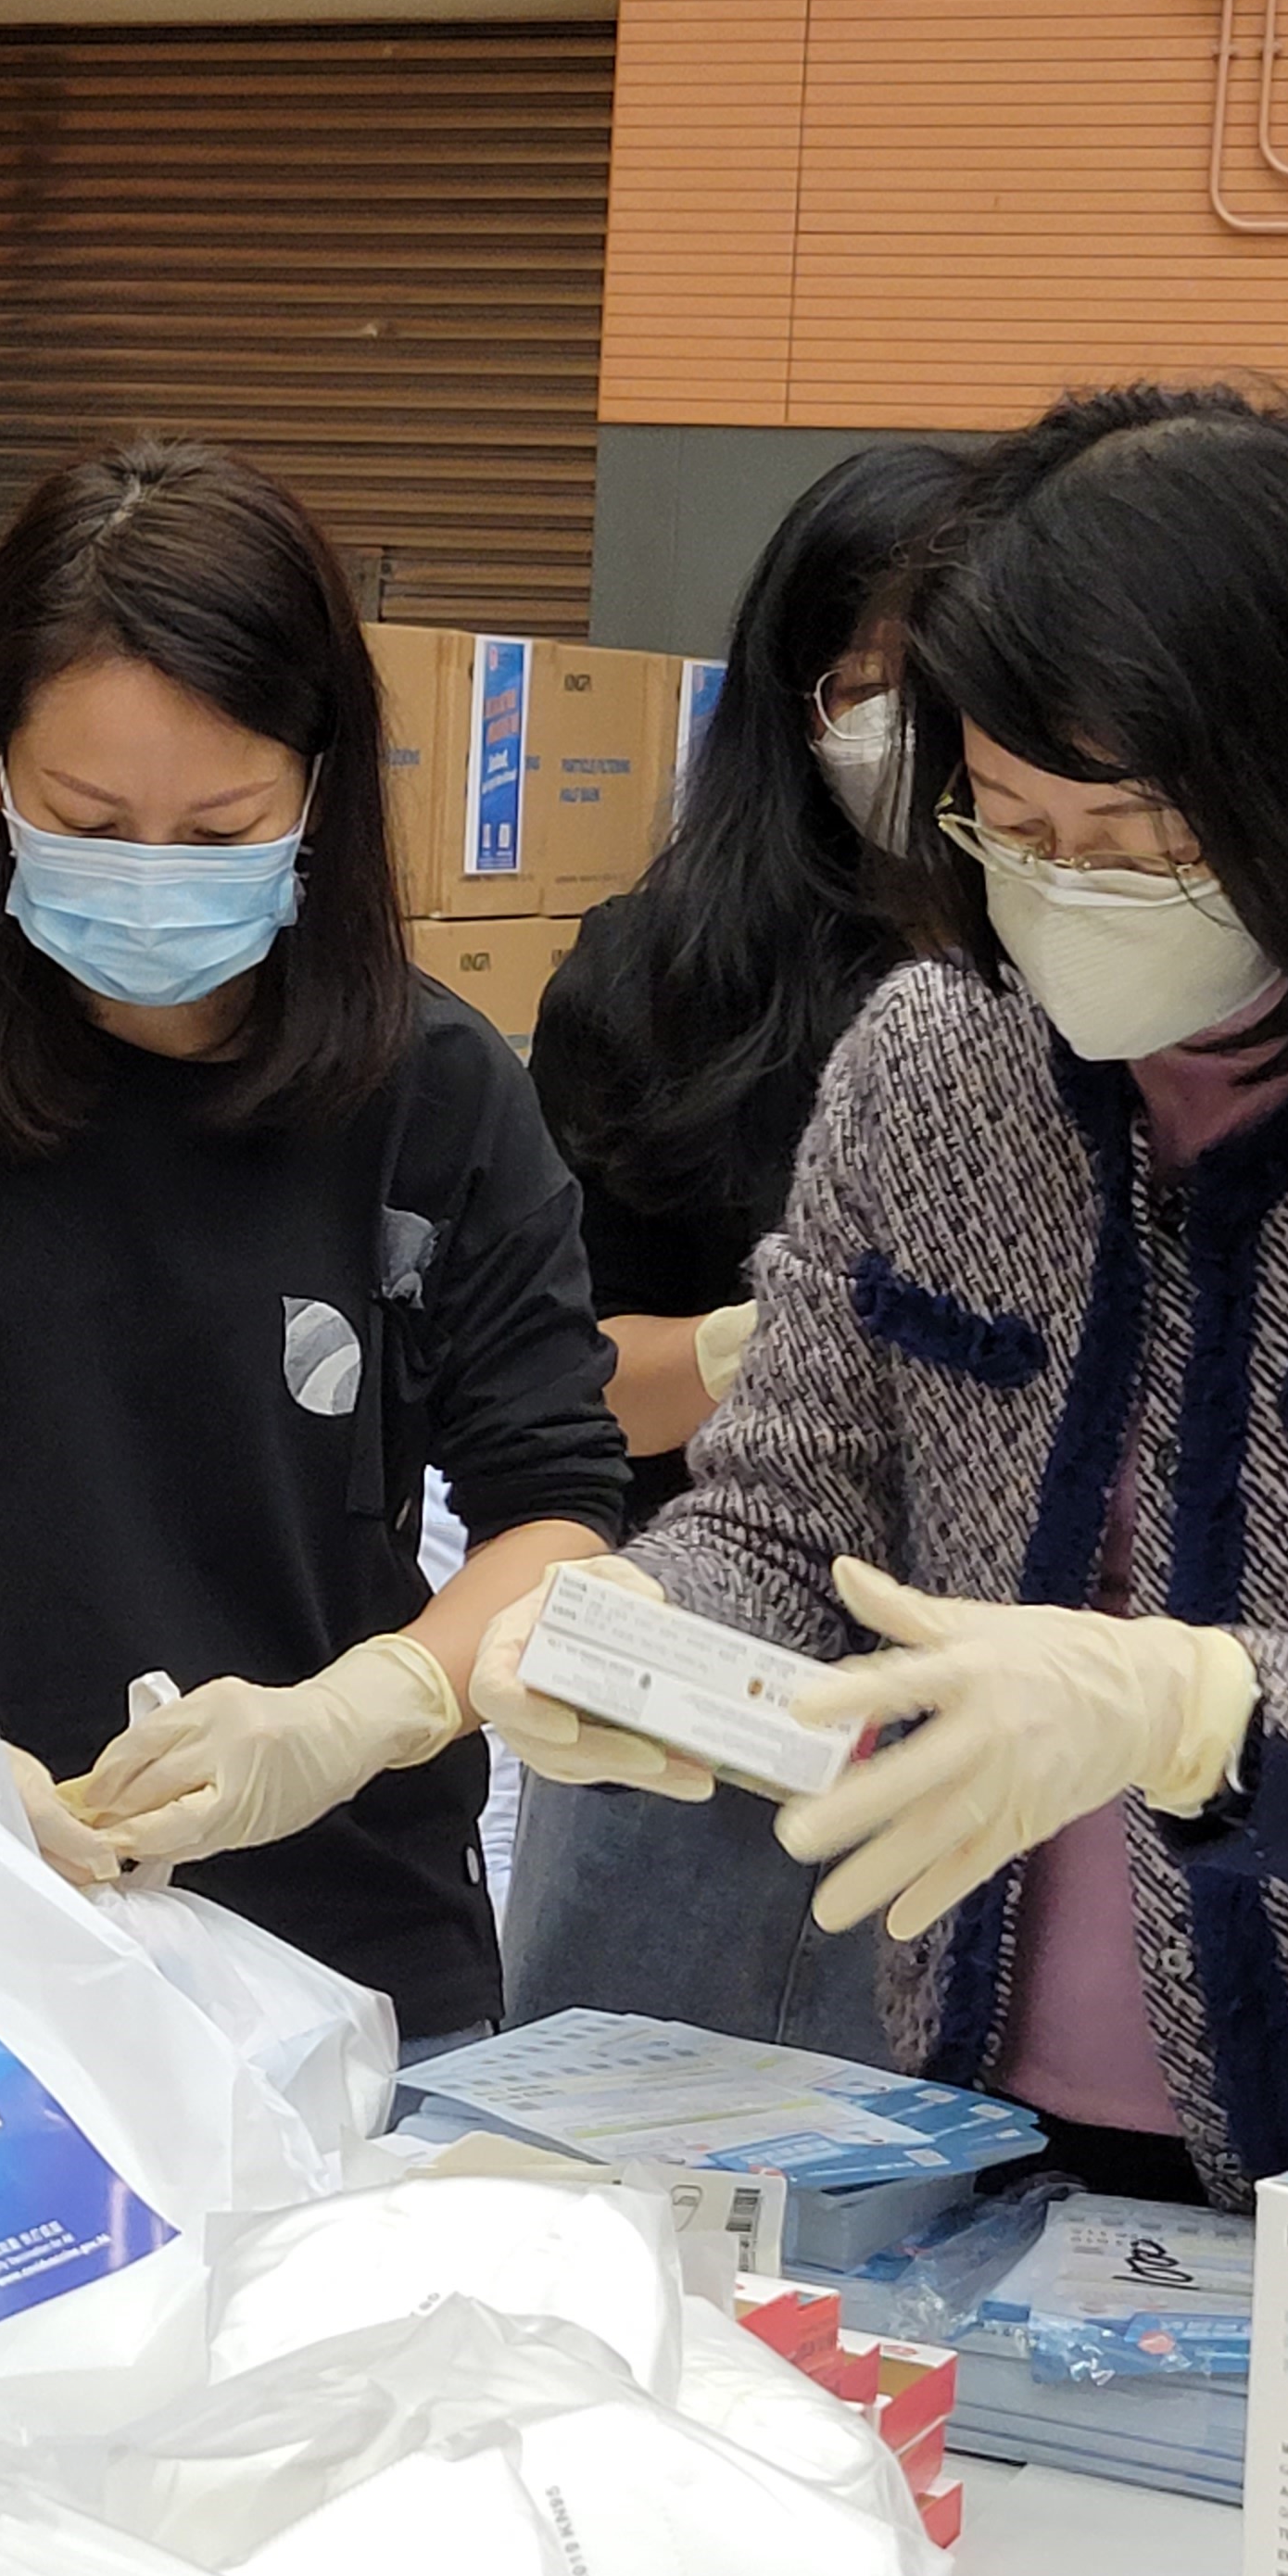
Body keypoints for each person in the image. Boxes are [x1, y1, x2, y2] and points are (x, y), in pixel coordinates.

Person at [473, 380, 1288, 2206]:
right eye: (1009, 824)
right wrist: (629, 1650)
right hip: (973, 2134)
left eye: (1136, 839)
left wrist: (1192, 1706)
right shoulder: (931, 1064)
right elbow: (780, 1527)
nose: (1065, 892)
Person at [0, 441, 630, 2062]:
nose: (154, 880)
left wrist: (355, 1713)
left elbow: (561, 1514)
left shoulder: (431, 1092)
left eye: (221, 822)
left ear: (319, 782)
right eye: (93, 820)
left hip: (344, 1953)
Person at [504, 442, 964, 2054]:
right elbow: (543, 1391)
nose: (910, 731)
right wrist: (760, 1356)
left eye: (955, 682)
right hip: (705, 1704)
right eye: (864, 686)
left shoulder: (1110, 1001)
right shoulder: (659, 980)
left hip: (1005, 1726)